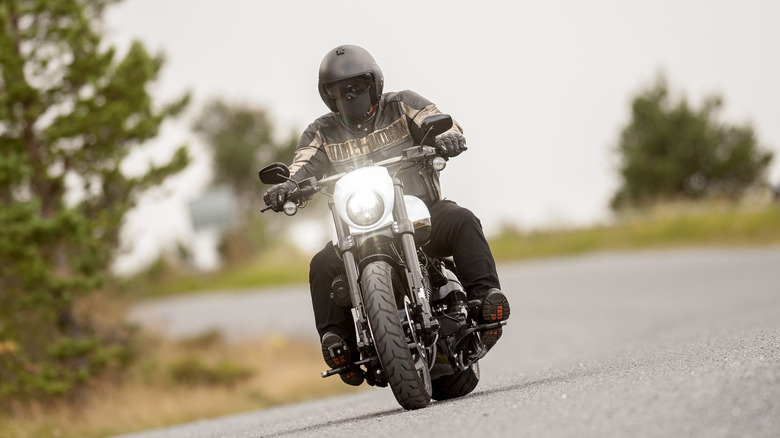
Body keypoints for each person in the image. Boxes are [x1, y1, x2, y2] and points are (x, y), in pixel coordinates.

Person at [263, 45, 510, 386]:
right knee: (321, 264)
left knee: (463, 219)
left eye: (358, 86)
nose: (350, 94)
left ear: (374, 83)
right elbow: (303, 164)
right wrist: (288, 186)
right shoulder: (321, 131)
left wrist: (449, 137)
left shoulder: (402, 103)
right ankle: (340, 343)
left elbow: (439, 121)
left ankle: (486, 300)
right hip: (360, 227)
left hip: (422, 213)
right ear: (327, 95)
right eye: (340, 89)